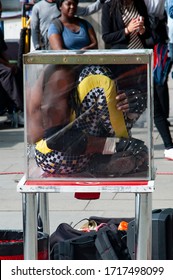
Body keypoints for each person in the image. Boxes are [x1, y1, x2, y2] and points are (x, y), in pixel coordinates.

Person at [27, 64, 148, 177]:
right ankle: (110, 154)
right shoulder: (60, 72)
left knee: (99, 78)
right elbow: (55, 140)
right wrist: (117, 145)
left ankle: (101, 160)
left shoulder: (75, 70)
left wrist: (131, 106)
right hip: (52, 154)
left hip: (78, 149)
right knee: (96, 76)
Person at [31, 0, 103, 50]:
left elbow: (86, 10)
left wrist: (100, 2)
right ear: (60, 7)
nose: (72, 7)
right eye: (69, 4)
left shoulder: (68, 5)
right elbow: (34, 29)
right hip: (47, 46)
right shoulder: (38, 7)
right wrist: (37, 46)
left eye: (73, 4)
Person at [0, 1, 24, 127]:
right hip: (1, 67)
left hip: (2, 63)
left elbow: (2, 51)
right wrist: (7, 66)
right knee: (7, 72)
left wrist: (10, 64)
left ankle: (14, 109)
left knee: (18, 71)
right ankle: (20, 108)